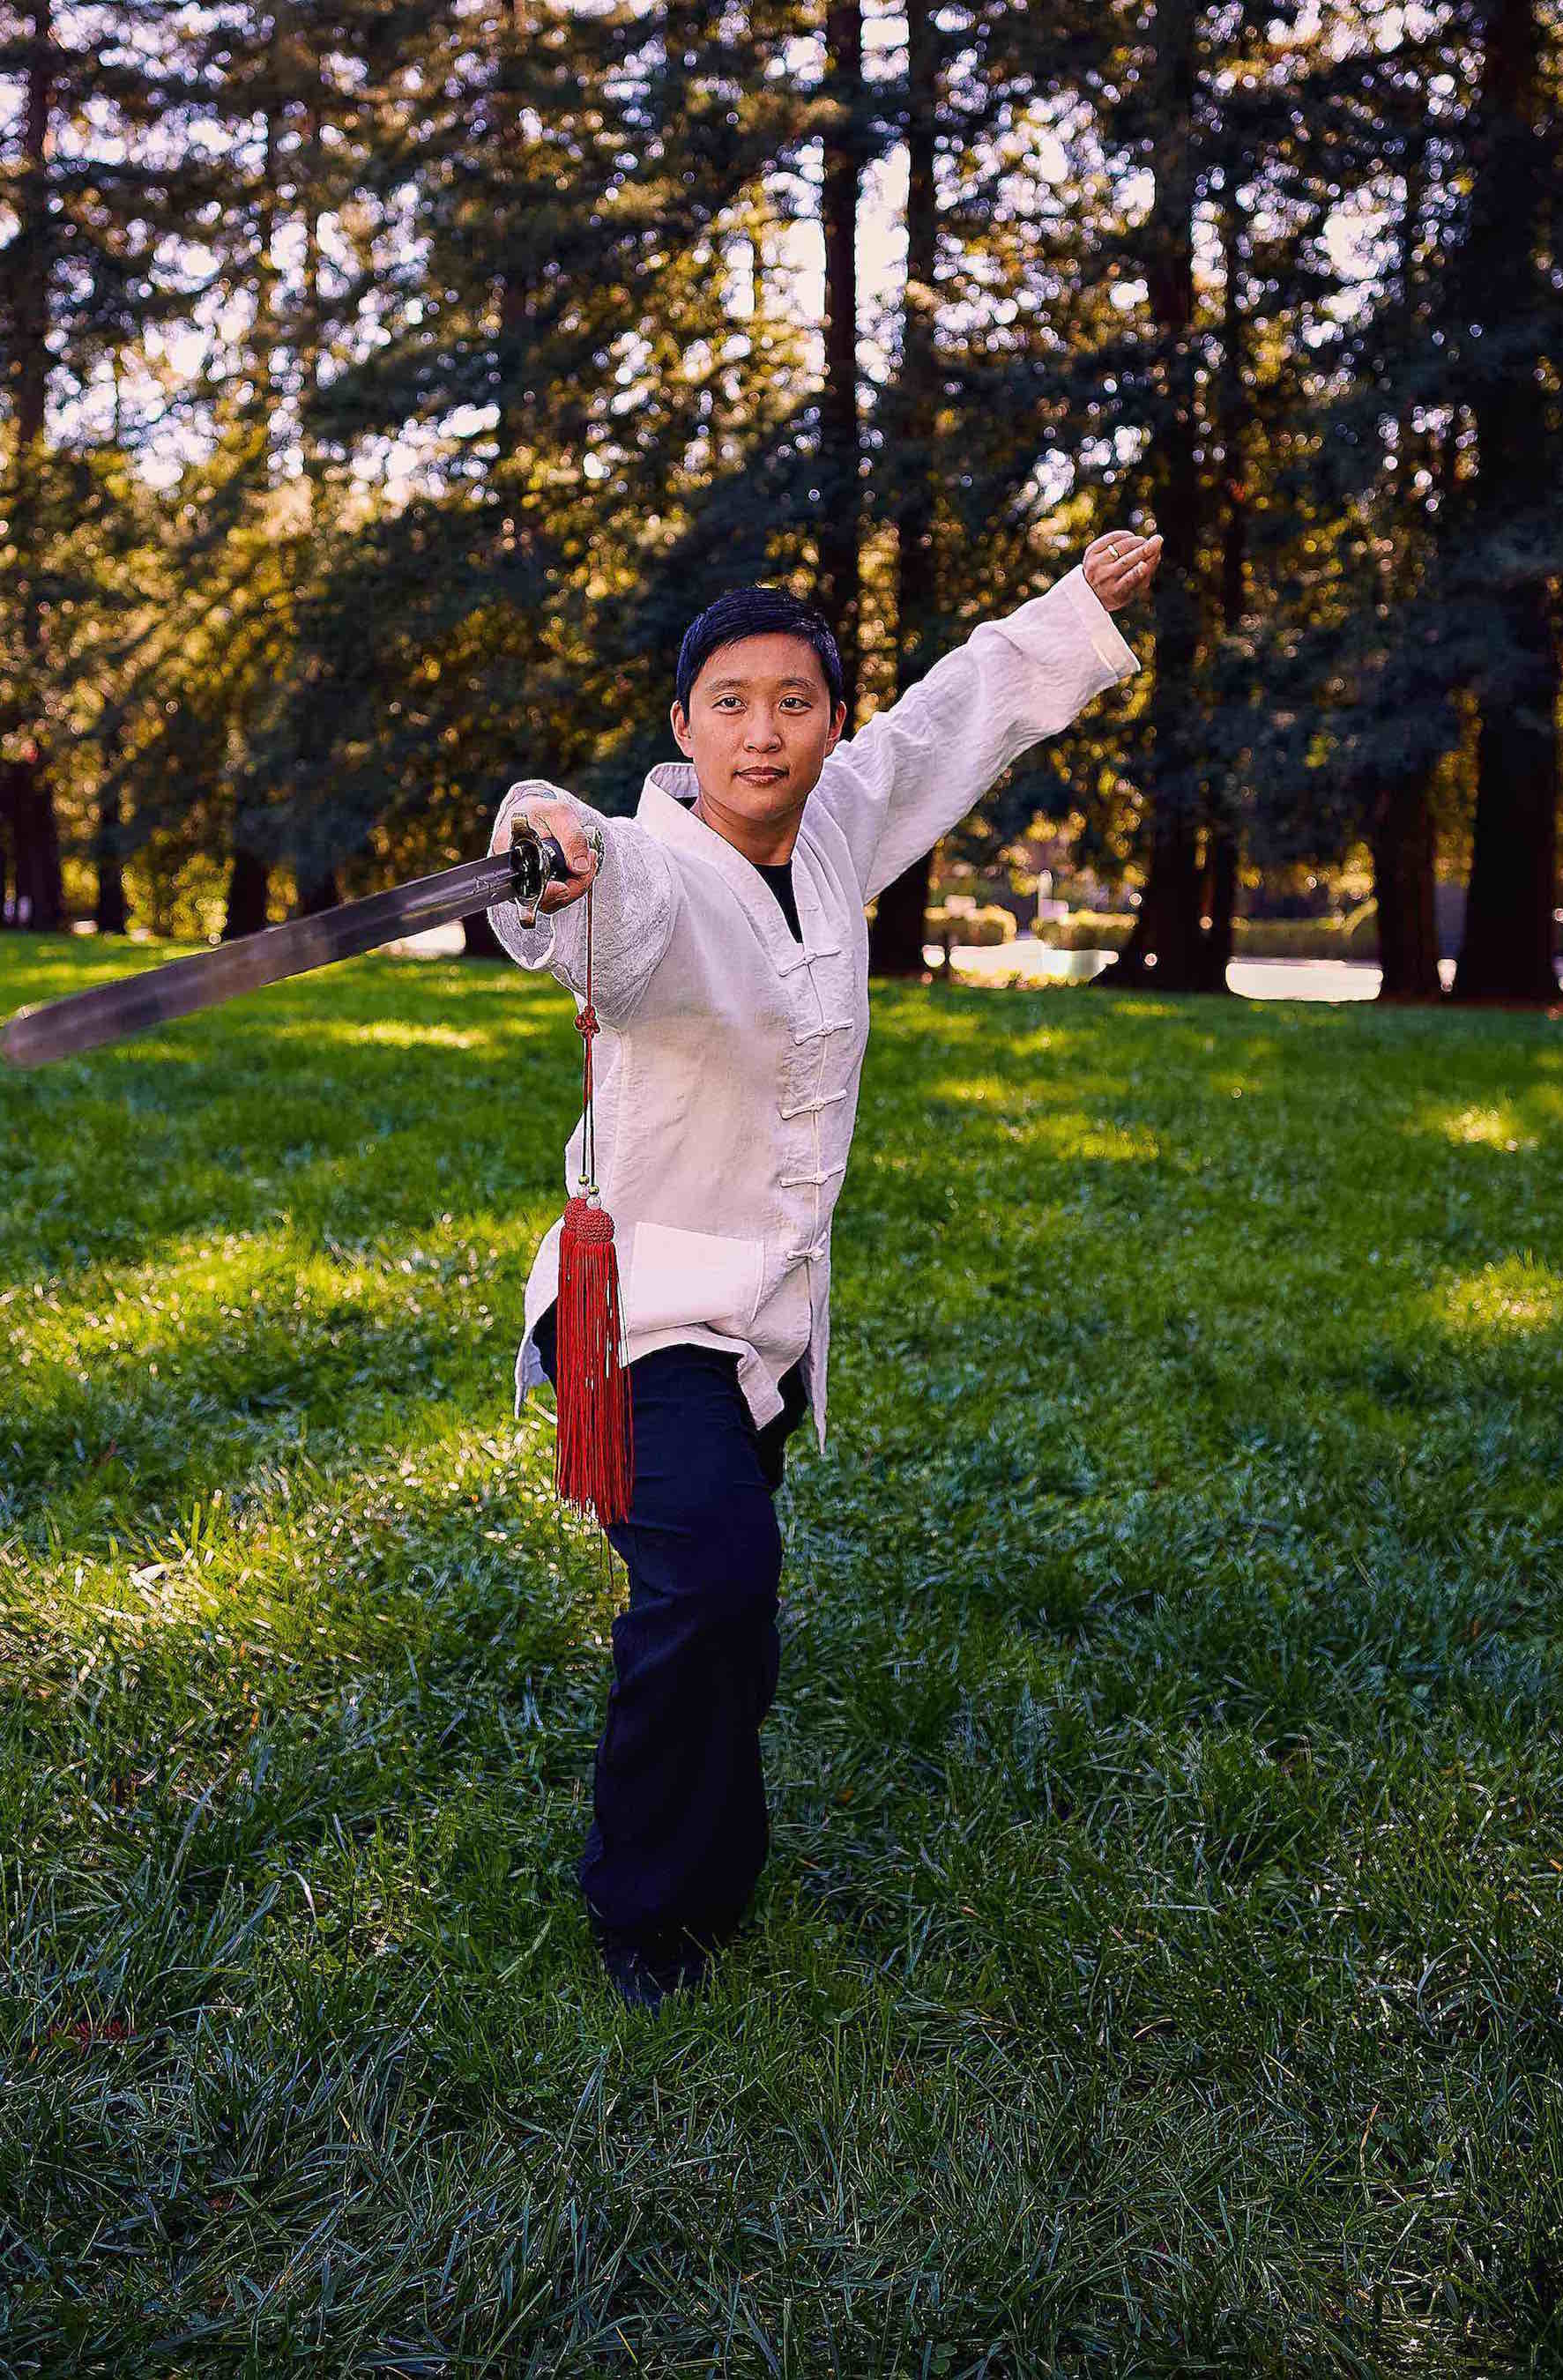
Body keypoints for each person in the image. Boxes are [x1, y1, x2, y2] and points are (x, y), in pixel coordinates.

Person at [487, 526, 1164, 2008]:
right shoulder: (652, 873)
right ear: (680, 728)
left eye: (793, 700)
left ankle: (714, 1872)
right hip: (644, 1311)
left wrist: (1067, 614)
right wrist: (552, 848)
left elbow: (949, 719)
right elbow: (599, 911)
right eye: (727, 702)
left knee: (730, 1601)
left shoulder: (841, 822)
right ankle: (639, 1911)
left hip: (770, 1323)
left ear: (827, 723)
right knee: (713, 1586)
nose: (761, 730)